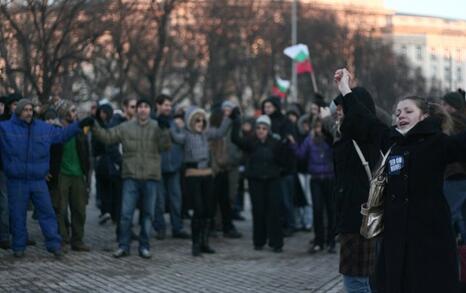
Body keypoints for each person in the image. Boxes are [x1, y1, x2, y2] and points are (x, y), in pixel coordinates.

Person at [337, 68, 462, 293]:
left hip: (429, 236)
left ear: (424, 116)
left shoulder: (439, 143)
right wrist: (345, 89)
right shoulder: (393, 142)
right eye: (397, 112)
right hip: (395, 237)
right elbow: (365, 120)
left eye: (408, 111)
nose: (400, 115)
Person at [0, 98, 93, 258]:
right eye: (25, 110)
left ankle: (54, 245)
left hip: (38, 180)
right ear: (18, 112)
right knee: (17, 215)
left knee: (47, 213)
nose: (29, 112)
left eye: (30, 109)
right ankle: (19, 246)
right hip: (17, 180)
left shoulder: (43, 128)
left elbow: (62, 135)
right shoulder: (5, 128)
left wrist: (78, 125)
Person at [92, 98, 171, 259]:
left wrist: (164, 130)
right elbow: (107, 137)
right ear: (136, 111)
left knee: (148, 214)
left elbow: (165, 146)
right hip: (130, 177)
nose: (142, 109)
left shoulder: (156, 126)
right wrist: (93, 124)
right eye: (140, 107)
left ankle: (144, 246)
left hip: (150, 177)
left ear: (150, 110)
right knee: (126, 214)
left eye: (146, 107)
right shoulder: (126, 127)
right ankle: (123, 246)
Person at [331, 70, 387, 293]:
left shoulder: (362, 138)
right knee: (360, 279)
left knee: (356, 281)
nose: (338, 114)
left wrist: (346, 89)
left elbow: (361, 119)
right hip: (360, 216)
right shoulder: (354, 137)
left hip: (359, 218)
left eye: (341, 109)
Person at [170, 106, 234, 256]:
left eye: (202, 120)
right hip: (193, 175)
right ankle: (195, 244)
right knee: (198, 209)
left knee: (208, 210)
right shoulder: (185, 135)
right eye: (196, 120)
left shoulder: (206, 133)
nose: (200, 123)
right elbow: (175, 137)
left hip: (207, 175)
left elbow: (220, 132)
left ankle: (205, 243)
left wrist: (230, 118)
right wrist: (170, 124)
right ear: (191, 121)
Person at [231, 114, 285, 252]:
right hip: (256, 181)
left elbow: (286, 160)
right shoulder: (251, 142)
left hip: (273, 181)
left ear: (269, 130)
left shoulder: (276, 143)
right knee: (258, 211)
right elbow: (235, 139)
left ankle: (276, 243)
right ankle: (259, 241)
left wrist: (278, 172)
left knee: (274, 212)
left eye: (264, 128)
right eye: (259, 128)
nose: (261, 130)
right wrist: (236, 121)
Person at [289, 116, 336, 254]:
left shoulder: (330, 141)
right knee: (317, 210)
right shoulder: (309, 141)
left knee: (331, 211)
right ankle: (318, 241)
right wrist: (293, 145)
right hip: (315, 179)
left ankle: (331, 241)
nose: (318, 130)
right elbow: (301, 155)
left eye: (320, 127)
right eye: (316, 127)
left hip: (329, 178)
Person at [153, 94, 190, 239]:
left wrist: (173, 130)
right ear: (158, 105)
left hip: (174, 167)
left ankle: (177, 228)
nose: (168, 108)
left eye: (169, 105)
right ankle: (160, 228)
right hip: (157, 167)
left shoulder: (175, 123)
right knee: (159, 202)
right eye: (165, 105)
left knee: (176, 200)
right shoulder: (152, 121)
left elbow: (183, 139)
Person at [262, 96, 297, 237]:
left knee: (286, 200)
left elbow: (289, 145)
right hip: (270, 168)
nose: (267, 109)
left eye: (269, 107)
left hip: (285, 168)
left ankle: (290, 225)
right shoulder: (264, 122)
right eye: (265, 107)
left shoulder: (285, 122)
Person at [441, 91, 466, 242]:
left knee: (449, 214)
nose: (442, 107)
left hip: (455, 173)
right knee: (461, 215)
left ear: (453, 107)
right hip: (460, 174)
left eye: (445, 104)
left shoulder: (452, 122)